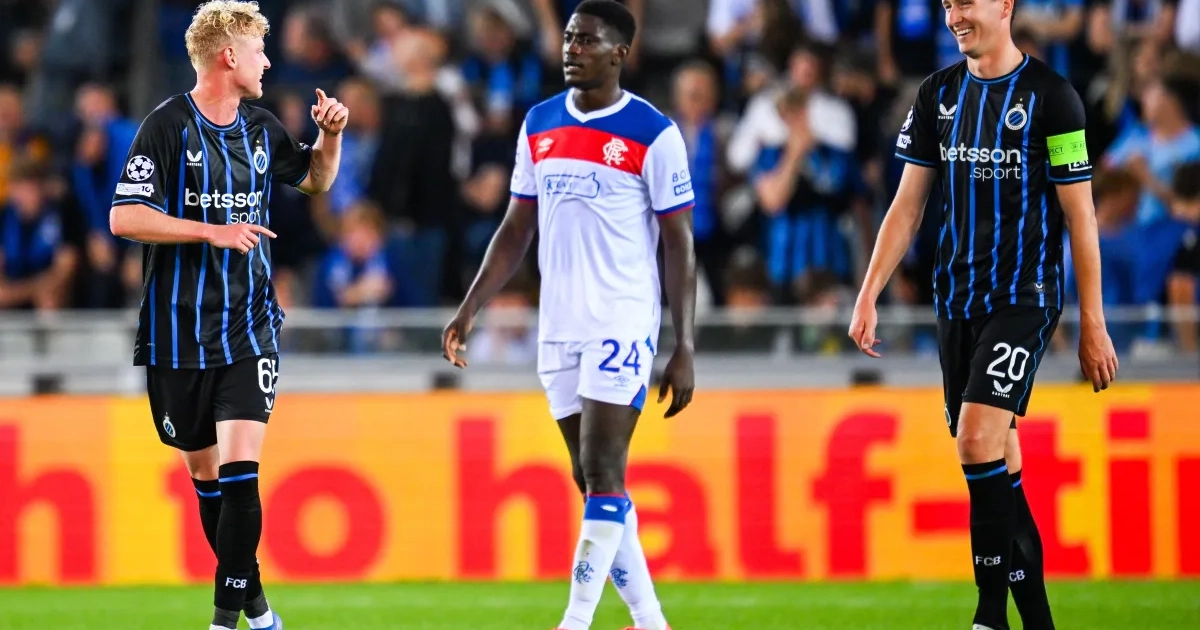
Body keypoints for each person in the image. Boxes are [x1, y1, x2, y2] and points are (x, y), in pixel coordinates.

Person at [847, 2, 1119, 630]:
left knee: (974, 439)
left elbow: (1081, 216)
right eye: (947, 4)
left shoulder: (1055, 99)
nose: (954, 17)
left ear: (1005, 5)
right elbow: (907, 205)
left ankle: (988, 616)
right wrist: (868, 292)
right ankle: (1038, 622)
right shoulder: (936, 94)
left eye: (967, 2)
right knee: (999, 468)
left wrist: (1093, 321)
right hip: (956, 301)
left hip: (1024, 296)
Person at [441, 2, 694, 629]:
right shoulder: (539, 123)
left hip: (621, 320)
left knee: (604, 471)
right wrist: (470, 308)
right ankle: (651, 621)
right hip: (558, 325)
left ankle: (574, 621)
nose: (572, 48)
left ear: (620, 54)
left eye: (587, 40)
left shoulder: (654, 133)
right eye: (570, 38)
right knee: (594, 484)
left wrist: (684, 343)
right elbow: (515, 227)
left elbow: (679, 242)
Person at [107, 2, 347, 629]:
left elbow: (315, 181)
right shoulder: (166, 127)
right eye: (258, 50)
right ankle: (261, 614)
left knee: (242, 476)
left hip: (248, 325)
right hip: (177, 333)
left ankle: (222, 623)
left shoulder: (263, 127)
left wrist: (331, 137)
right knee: (207, 478)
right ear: (228, 56)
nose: (267, 62)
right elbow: (124, 217)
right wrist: (210, 231)